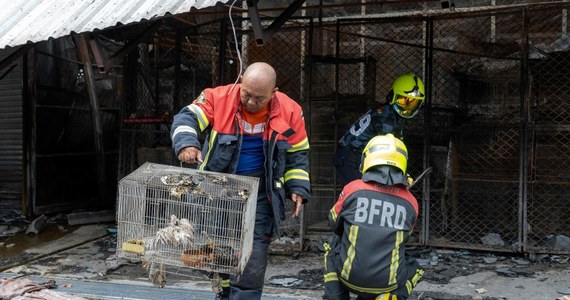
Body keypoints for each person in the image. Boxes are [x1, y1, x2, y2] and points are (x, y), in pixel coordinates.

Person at [170, 62, 311, 300]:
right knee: (221, 252)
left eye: (259, 98)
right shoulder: (217, 98)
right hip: (218, 192)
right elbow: (187, 117)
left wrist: (297, 187)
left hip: (261, 196)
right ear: (240, 79)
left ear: (274, 92)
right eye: (247, 94)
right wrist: (187, 143)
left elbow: (298, 153)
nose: (251, 102)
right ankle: (224, 294)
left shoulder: (291, 110)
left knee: (252, 257)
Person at [323, 133, 424, 300]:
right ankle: (391, 296)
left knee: (331, 244)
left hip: (348, 278)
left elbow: (333, 223)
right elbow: (405, 238)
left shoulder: (353, 189)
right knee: (415, 267)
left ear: (367, 158)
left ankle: (336, 296)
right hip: (387, 283)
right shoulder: (411, 202)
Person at [333, 73, 425, 186]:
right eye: (403, 101)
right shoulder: (386, 118)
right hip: (349, 157)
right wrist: (401, 175)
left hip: (355, 156)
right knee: (360, 193)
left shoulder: (388, 112)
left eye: (413, 103)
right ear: (393, 97)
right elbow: (388, 152)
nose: (407, 107)